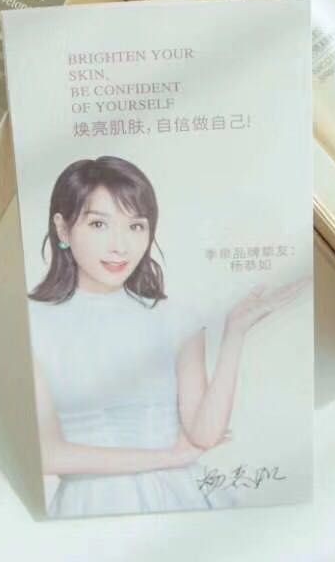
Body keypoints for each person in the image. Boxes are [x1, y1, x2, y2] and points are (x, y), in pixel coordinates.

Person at [27, 155, 305, 517]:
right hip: (93, 504)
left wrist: (235, 333)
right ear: (63, 229)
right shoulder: (34, 322)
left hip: (181, 496)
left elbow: (203, 433)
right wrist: (168, 457)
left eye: (135, 226)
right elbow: (48, 454)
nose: (120, 245)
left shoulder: (175, 318)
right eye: (99, 224)